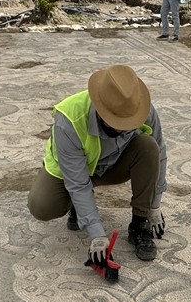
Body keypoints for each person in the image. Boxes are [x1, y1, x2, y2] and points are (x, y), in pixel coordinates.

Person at [28, 64, 168, 263]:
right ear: (100, 108)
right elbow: (77, 182)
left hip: (113, 165)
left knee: (149, 146)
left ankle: (139, 223)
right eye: (116, 122)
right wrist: (97, 235)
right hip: (73, 170)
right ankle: (77, 205)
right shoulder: (69, 119)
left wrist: (154, 206)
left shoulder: (139, 108)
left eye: (127, 123)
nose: (122, 128)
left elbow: (160, 154)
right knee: (41, 206)